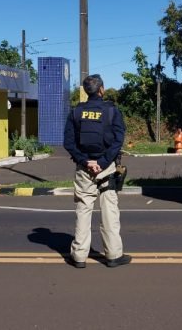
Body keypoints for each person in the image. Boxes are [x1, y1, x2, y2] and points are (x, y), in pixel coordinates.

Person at [63, 74, 131, 268]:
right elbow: (118, 141)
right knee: (109, 210)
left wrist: (86, 162)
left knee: (83, 210)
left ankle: (79, 257)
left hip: (84, 168)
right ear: (102, 89)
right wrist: (101, 162)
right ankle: (113, 255)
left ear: (86, 91)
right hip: (106, 167)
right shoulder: (111, 111)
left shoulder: (76, 112)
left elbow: (68, 142)